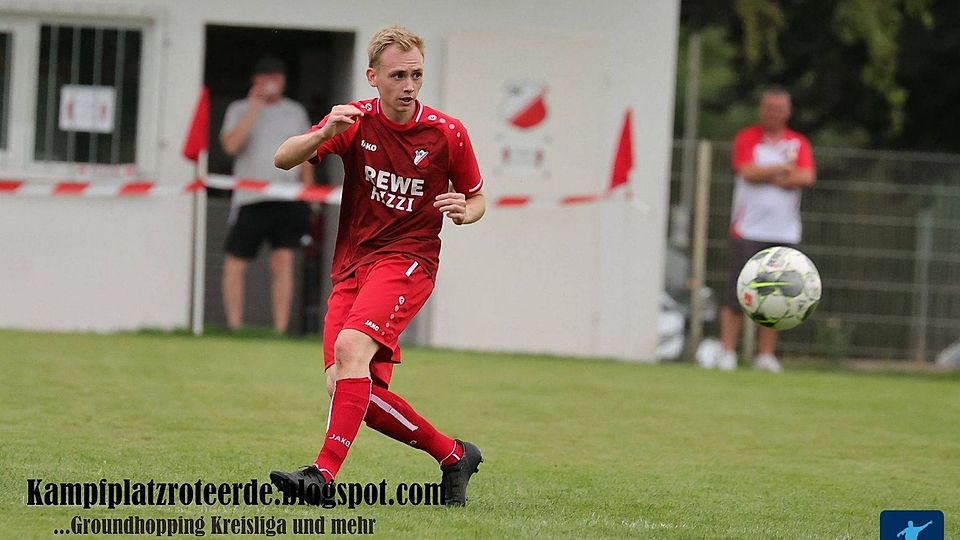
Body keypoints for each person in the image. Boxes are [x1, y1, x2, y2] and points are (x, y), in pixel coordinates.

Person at [269, 26, 486, 506]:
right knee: (349, 387)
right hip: (352, 266)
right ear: (373, 77)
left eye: (417, 75)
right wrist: (325, 132)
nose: (409, 86)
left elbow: (477, 198)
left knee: (350, 349)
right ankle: (453, 455)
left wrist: (465, 211)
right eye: (398, 76)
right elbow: (283, 159)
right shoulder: (355, 122)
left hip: (408, 263)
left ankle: (321, 478)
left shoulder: (448, 133)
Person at [714, 87, 816, 372]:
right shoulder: (748, 138)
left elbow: (806, 175)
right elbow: (747, 171)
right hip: (748, 229)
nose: (773, 113)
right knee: (737, 292)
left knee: (776, 296)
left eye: (779, 108)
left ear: (788, 112)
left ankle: (766, 355)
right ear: (762, 110)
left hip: (784, 233)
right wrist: (781, 169)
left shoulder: (799, 142)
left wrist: (771, 173)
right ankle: (727, 352)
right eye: (769, 107)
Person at [220, 56, 314, 334]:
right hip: (250, 199)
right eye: (266, 78)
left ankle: (280, 329)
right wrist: (254, 107)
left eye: (277, 78)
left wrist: (307, 194)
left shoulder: (295, 111)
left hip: (288, 198)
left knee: (284, 261)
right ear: (255, 81)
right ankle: (235, 326)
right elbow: (230, 145)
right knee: (235, 261)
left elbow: (308, 153)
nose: (272, 84)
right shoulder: (239, 108)